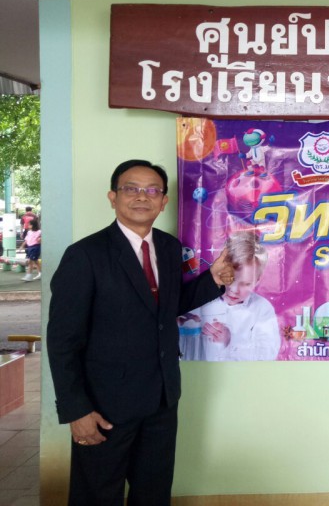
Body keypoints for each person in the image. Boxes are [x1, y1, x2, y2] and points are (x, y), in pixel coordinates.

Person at [47, 159, 235, 506]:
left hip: (161, 398)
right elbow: (62, 341)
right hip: (104, 405)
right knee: (96, 496)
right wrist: (76, 410)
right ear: (113, 197)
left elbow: (164, 309)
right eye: (130, 189)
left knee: (153, 493)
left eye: (152, 190)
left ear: (163, 201)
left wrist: (212, 280)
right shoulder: (85, 255)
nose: (141, 197)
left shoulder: (168, 247)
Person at [179, 230, 280, 361]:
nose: (234, 290)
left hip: (242, 372)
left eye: (246, 284)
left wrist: (230, 341)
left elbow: (268, 353)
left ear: (257, 280)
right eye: (230, 279)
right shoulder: (201, 297)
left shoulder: (261, 307)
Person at [21, 217, 41, 281]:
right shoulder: (29, 232)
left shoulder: (39, 232)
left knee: (30, 261)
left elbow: (41, 239)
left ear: (33, 225)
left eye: (30, 224)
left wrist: (40, 239)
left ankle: (29, 276)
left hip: (35, 247)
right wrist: (22, 246)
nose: (28, 226)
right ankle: (40, 273)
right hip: (30, 247)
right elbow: (26, 240)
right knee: (35, 261)